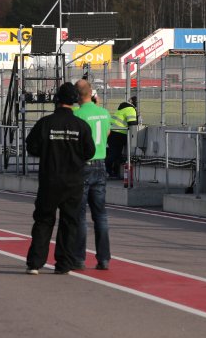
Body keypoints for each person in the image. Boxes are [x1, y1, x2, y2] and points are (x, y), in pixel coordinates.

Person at [25, 83, 95, 275]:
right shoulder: (81, 126)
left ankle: (35, 263)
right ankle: (63, 264)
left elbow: (31, 146)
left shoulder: (45, 123)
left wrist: (48, 151)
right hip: (73, 182)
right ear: (74, 102)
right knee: (69, 222)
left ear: (57, 100)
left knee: (43, 220)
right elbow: (90, 152)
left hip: (49, 179)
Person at [73, 79, 112, 270]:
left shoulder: (77, 115)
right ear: (92, 94)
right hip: (100, 164)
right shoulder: (104, 113)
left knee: (80, 216)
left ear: (77, 96)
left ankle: (79, 257)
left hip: (83, 165)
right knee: (101, 215)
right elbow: (107, 134)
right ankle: (104, 258)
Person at [106, 96, 138, 179]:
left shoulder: (122, 108)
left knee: (115, 154)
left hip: (112, 131)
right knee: (114, 154)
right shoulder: (131, 109)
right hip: (119, 133)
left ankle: (113, 172)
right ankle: (106, 171)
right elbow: (132, 123)